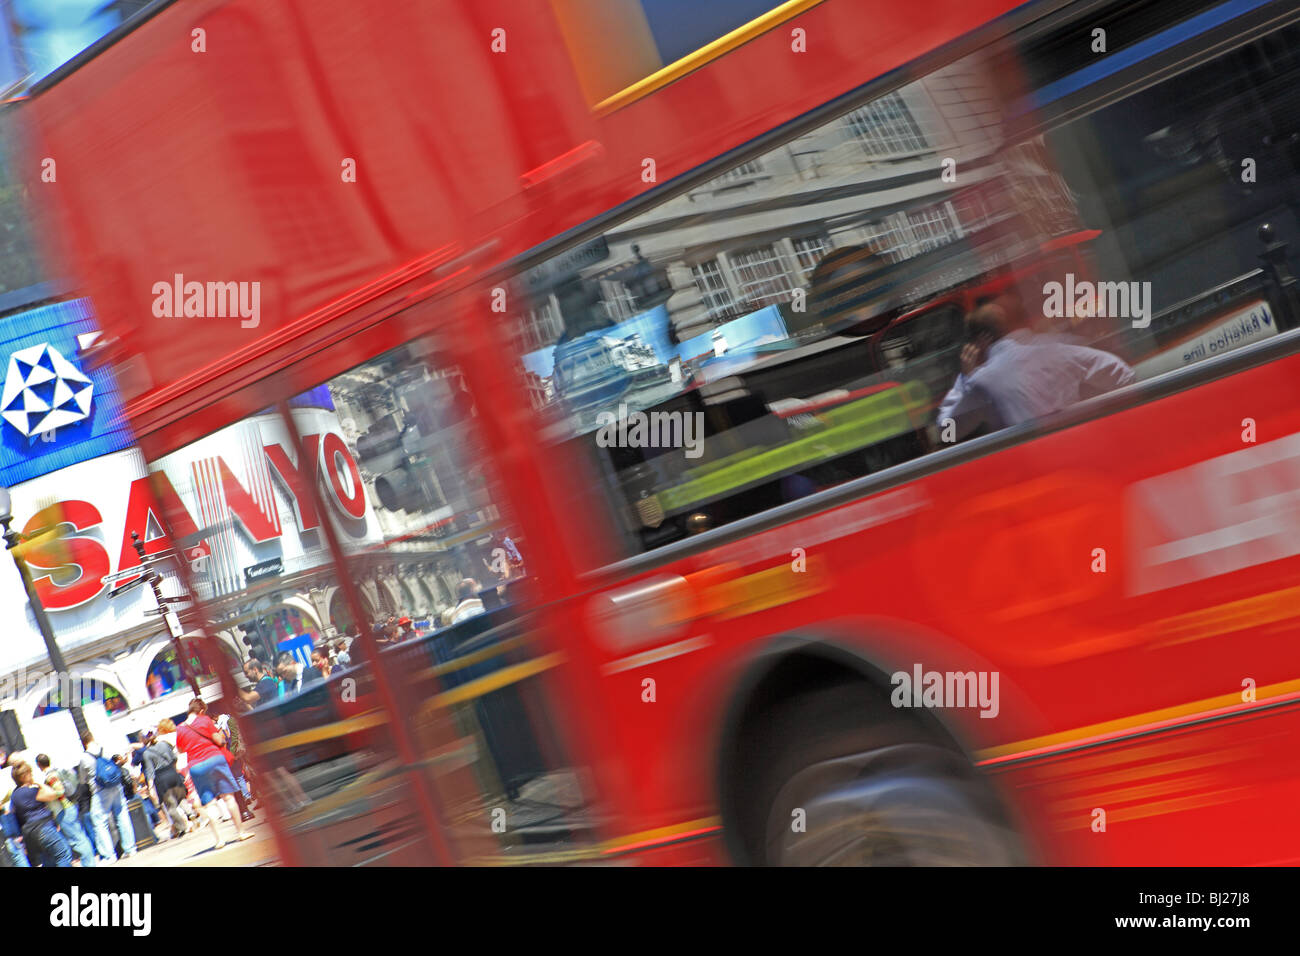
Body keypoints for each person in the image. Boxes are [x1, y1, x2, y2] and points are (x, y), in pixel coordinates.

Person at [936, 301, 1135, 442]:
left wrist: (965, 379)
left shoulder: (981, 381)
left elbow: (948, 433)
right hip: (1086, 446)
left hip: (1037, 471)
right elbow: (1123, 375)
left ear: (979, 343)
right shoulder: (1056, 348)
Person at [175, 698, 251, 849]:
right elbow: (219, 740)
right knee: (228, 797)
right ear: (201, 711)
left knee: (209, 804)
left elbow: (181, 750)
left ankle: (219, 840)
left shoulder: (180, 728)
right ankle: (241, 832)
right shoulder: (204, 720)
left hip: (196, 766)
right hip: (215, 759)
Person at [78, 732, 138, 861]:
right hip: (116, 786)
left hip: (100, 791)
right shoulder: (105, 749)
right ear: (93, 739)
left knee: (99, 822)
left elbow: (82, 780)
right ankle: (130, 848)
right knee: (122, 815)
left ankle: (109, 855)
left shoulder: (84, 758)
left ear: (83, 743)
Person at [34, 753, 95, 867]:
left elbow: (59, 790)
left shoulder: (50, 776)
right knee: (80, 837)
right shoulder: (57, 772)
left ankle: (89, 864)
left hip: (64, 810)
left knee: (77, 840)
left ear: (39, 764)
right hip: (70, 806)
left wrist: (47, 796)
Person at [9, 760, 73, 867]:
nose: (32, 775)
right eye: (30, 773)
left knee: (49, 860)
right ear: (25, 776)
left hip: (31, 834)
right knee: (63, 855)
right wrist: (38, 783)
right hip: (44, 828)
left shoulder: (14, 796)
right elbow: (53, 794)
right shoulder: (30, 792)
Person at [143, 721, 191, 840]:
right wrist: (175, 771)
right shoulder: (164, 744)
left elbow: (150, 771)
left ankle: (182, 827)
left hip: (161, 779)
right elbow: (174, 758)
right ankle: (191, 813)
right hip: (172, 773)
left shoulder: (146, 753)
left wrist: (150, 788)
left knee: (171, 807)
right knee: (180, 797)